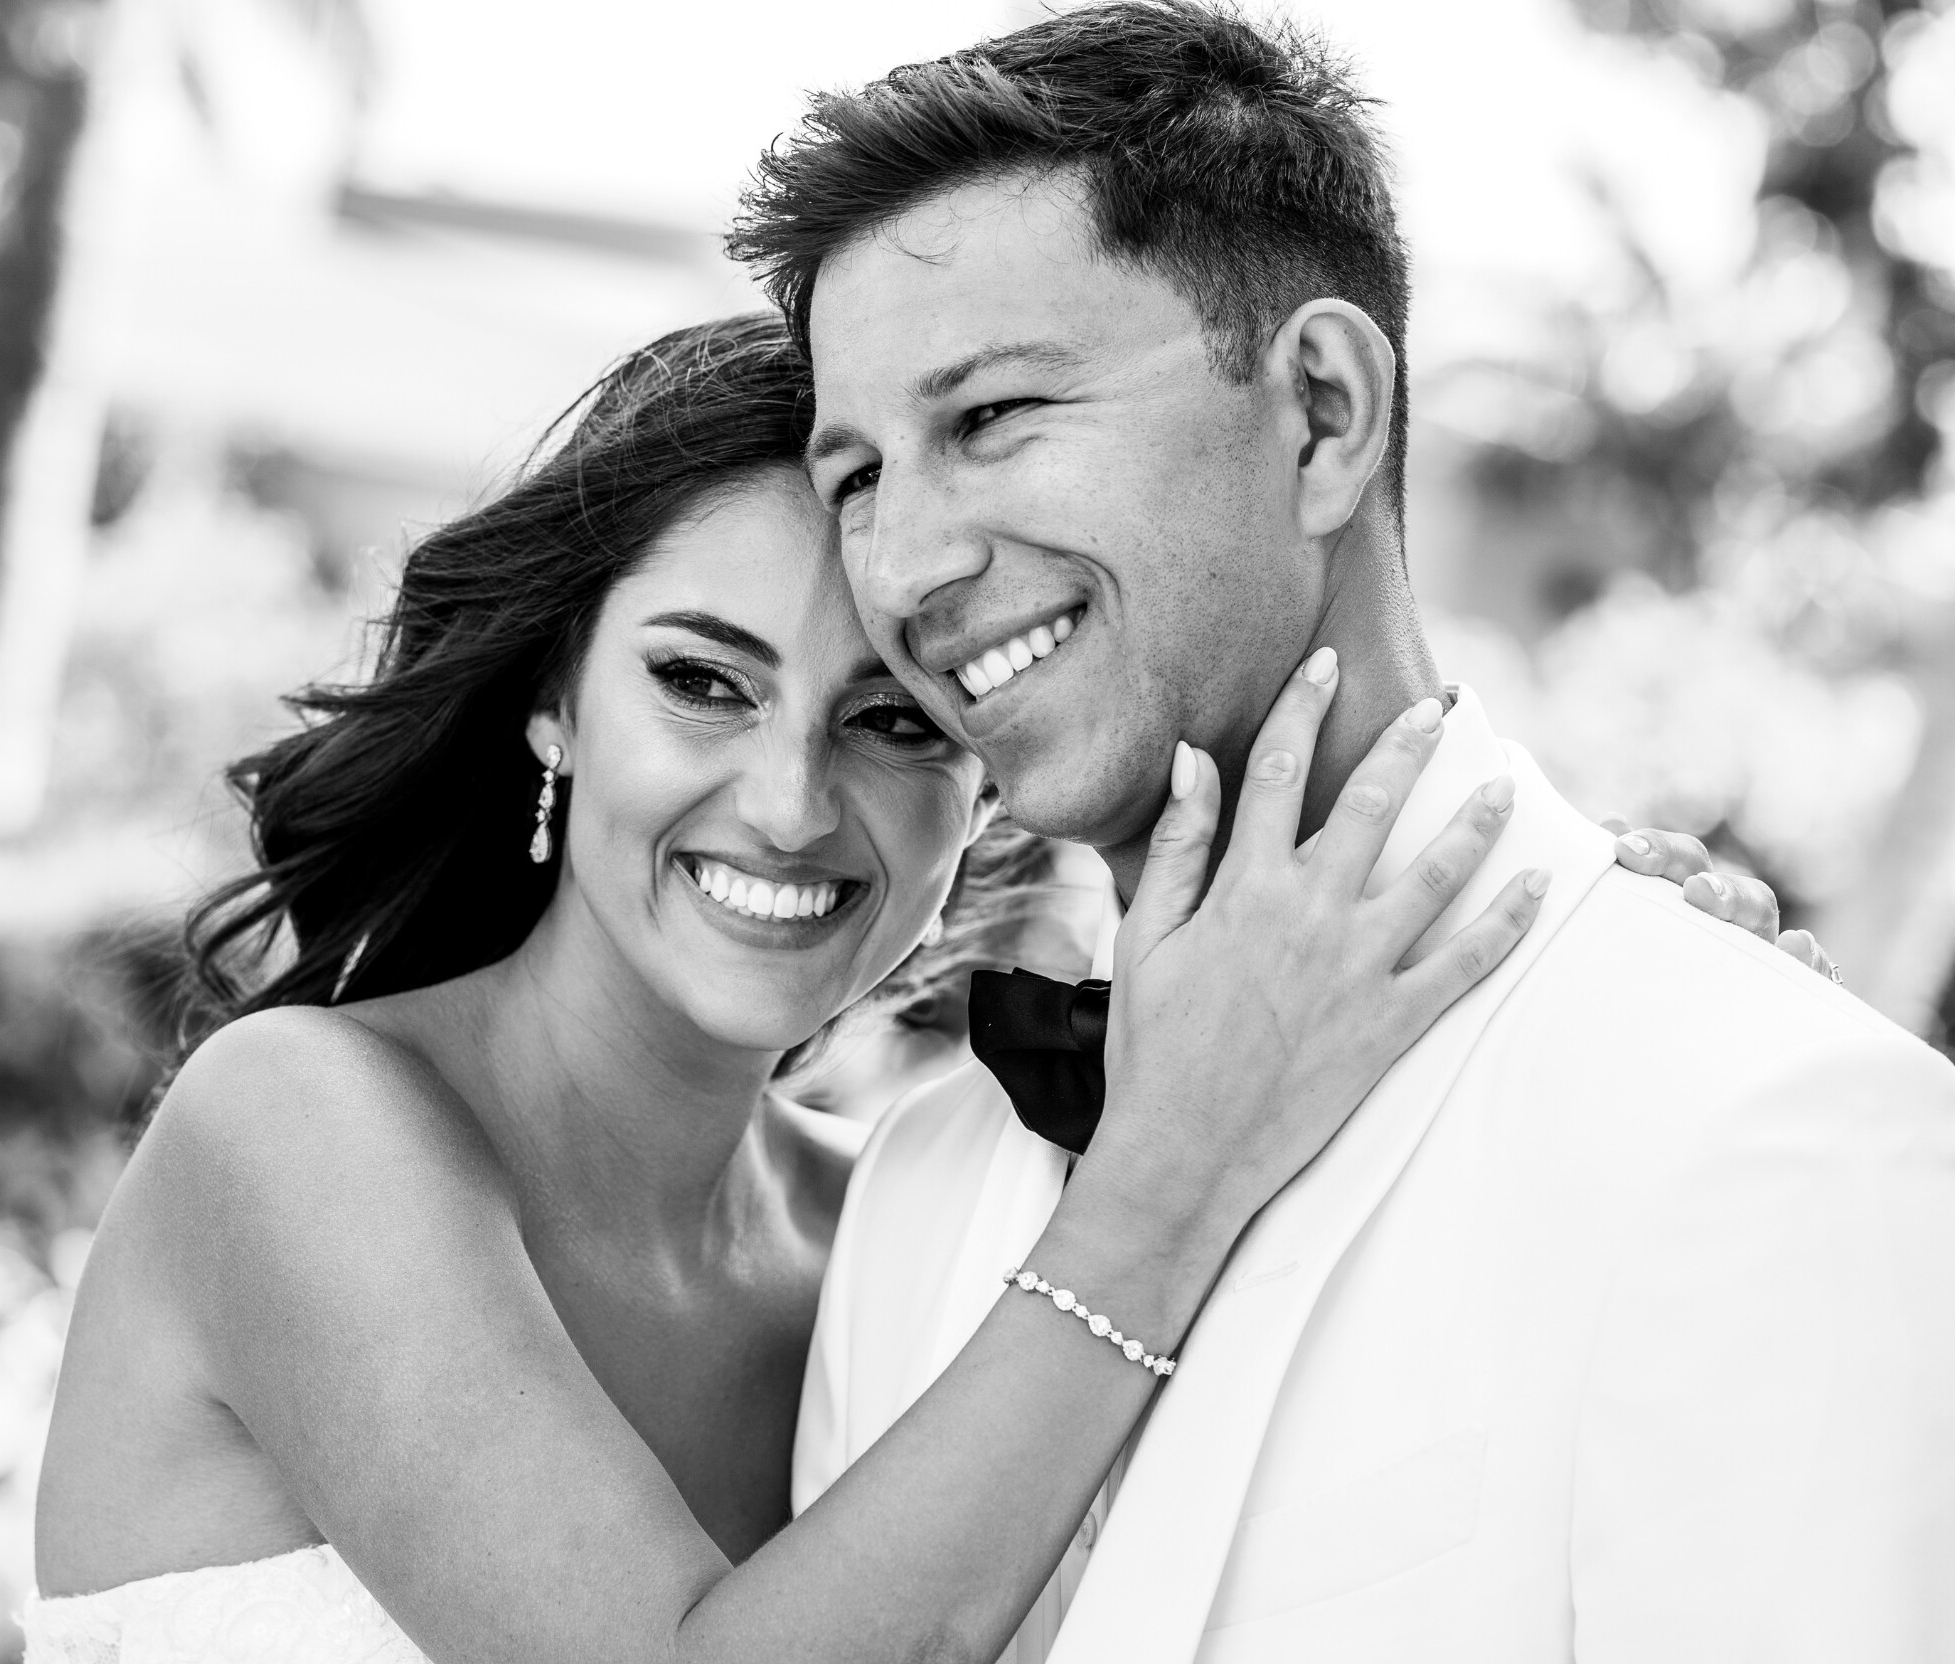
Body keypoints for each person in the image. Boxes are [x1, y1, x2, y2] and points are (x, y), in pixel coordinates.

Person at [24, 315, 1787, 1664]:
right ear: (553, 706)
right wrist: (1155, 1188)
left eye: (889, 722)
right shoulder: (298, 1127)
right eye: (702, 685)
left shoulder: (919, 1228)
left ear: (982, 785)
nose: (789, 801)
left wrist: (1581, 999)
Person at [732, 5, 1955, 1659]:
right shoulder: (923, 1185)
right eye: (858, 473)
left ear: (1318, 410)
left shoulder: (1755, 1112)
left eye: (995, 416)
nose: (903, 572)